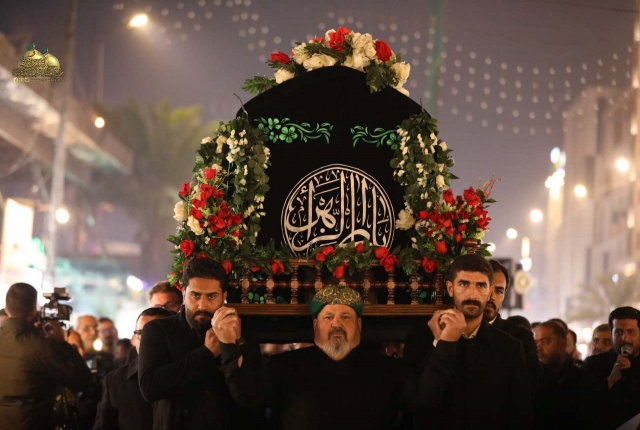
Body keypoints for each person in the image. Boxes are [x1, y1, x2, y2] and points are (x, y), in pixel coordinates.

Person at [216, 284, 462, 430]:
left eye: (346, 317)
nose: (337, 324)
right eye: (328, 317)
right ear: (315, 326)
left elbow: (424, 397)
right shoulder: (285, 365)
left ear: (359, 325)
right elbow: (248, 396)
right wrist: (228, 343)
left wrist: (446, 342)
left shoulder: (387, 369)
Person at [404, 254, 533, 430]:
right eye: (464, 284)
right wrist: (442, 343)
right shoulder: (421, 338)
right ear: (450, 288)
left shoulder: (509, 348)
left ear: (489, 291)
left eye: (481, 286)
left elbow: (521, 417)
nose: (472, 294)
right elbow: (418, 402)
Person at [138, 258, 260, 430]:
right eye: (195, 295)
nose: (202, 305)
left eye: (211, 296)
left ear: (224, 297)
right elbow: (150, 388)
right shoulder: (158, 330)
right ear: (184, 293)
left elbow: (251, 396)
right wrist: (206, 353)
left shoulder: (243, 333)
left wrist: (232, 344)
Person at [0, 282, 92, 430]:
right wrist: (61, 342)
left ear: (6, 308)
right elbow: (83, 380)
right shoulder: (42, 347)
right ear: (33, 310)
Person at [93, 307, 174, 430]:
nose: (148, 339)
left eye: (156, 333)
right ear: (134, 338)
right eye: (141, 333)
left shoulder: (184, 374)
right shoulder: (116, 381)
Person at [485, 259, 541, 393]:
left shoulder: (520, 337)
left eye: (499, 291)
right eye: (486, 287)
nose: (492, 297)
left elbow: (532, 385)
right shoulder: (456, 331)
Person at [580, 306, 640, 430]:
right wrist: (610, 380)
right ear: (611, 333)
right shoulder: (593, 365)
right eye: (619, 332)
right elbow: (584, 407)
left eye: (631, 332)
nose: (625, 339)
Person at [533, 321, 582, 430]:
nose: (538, 347)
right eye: (536, 342)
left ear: (562, 344)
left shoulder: (581, 377)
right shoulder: (532, 378)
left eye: (544, 341)